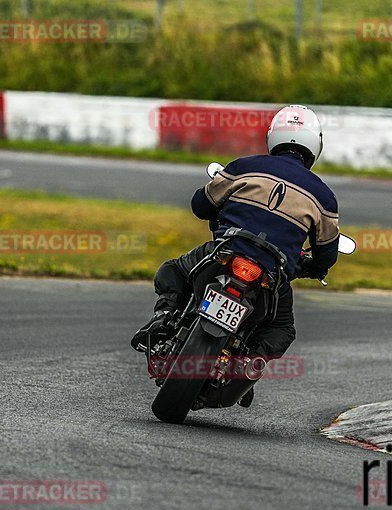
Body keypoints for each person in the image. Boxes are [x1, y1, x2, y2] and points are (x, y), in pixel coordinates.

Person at [131, 104, 340, 366]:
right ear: (316, 145)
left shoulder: (245, 166)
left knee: (173, 271)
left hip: (225, 252)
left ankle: (163, 317)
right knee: (282, 329)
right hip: (271, 274)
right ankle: (247, 364)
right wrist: (315, 267)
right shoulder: (324, 198)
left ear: (273, 136)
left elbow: (201, 205)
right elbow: (327, 254)